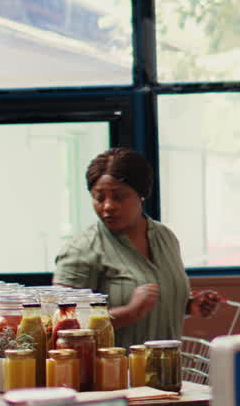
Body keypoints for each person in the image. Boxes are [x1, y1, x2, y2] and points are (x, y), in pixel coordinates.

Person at [54, 147, 223, 348]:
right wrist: (129, 312)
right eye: (99, 197)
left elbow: (156, 300)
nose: (108, 206)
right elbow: (62, 325)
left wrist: (188, 305)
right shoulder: (82, 249)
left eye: (118, 197)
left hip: (165, 372)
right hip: (112, 375)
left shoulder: (165, 237)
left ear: (141, 194)